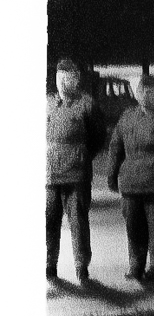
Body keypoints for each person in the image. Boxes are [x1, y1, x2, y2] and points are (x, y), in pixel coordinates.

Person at [104, 71, 154, 283]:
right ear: (137, 94)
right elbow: (115, 146)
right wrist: (112, 173)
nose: (146, 95)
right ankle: (136, 265)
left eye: (150, 91)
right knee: (133, 228)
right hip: (130, 185)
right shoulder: (127, 117)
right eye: (142, 91)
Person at [46, 58, 105, 285]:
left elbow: (98, 137)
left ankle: (81, 267)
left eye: (67, 78)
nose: (62, 82)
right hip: (50, 174)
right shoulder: (48, 103)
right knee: (49, 221)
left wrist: (82, 155)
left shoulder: (87, 104)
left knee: (78, 222)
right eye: (59, 78)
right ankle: (49, 264)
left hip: (77, 175)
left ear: (76, 79)